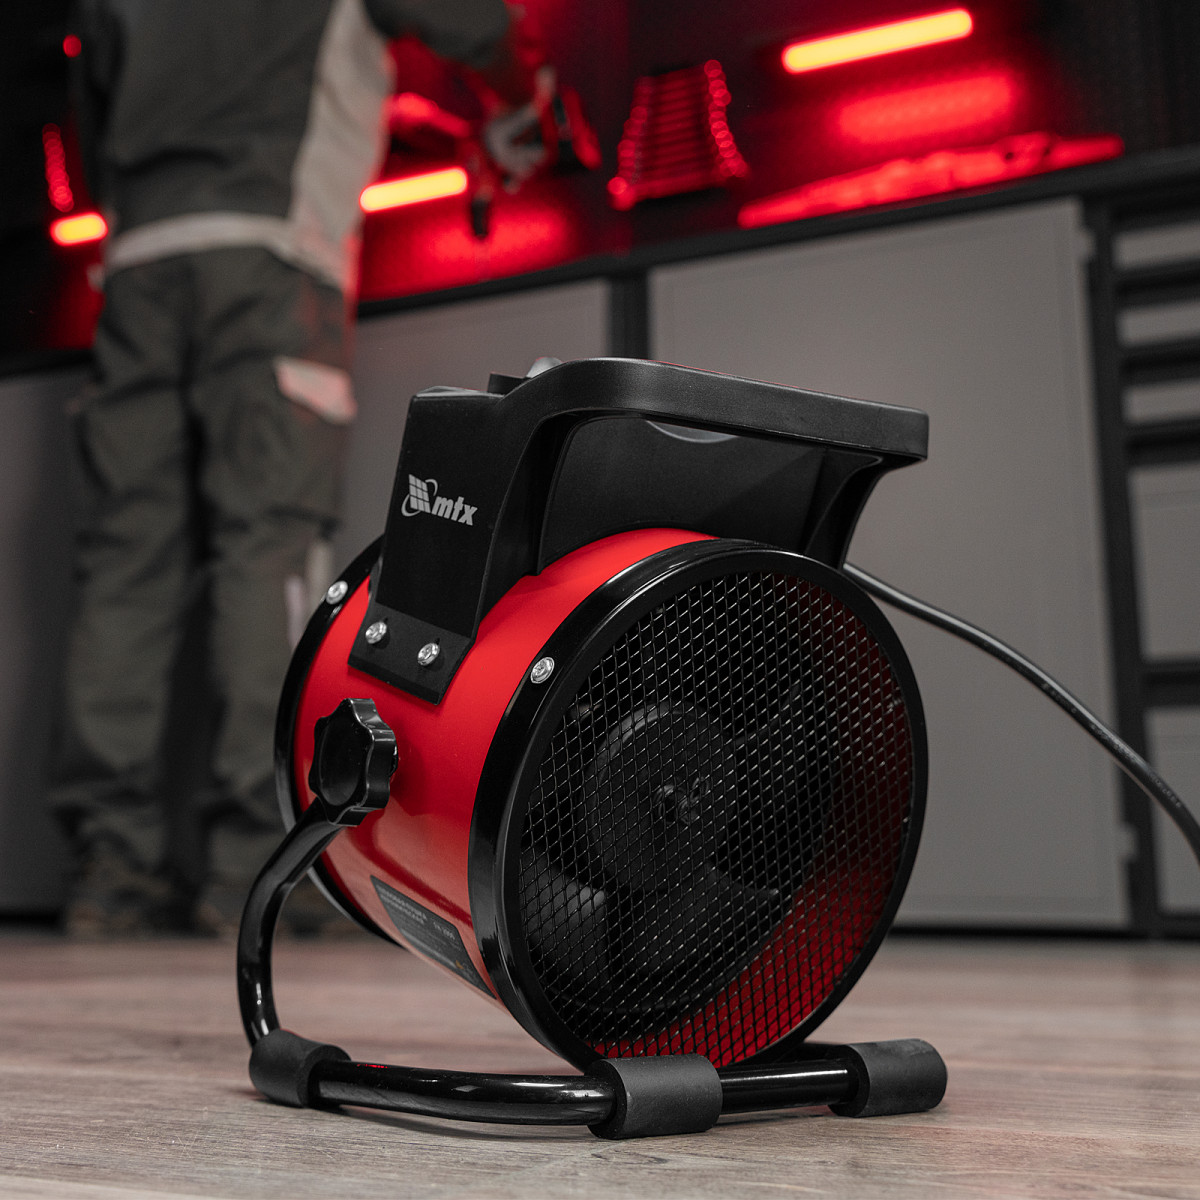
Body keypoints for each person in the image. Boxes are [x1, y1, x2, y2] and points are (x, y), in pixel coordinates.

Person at [52, 0, 547, 937]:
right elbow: (470, 20)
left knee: (124, 562)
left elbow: (91, 114)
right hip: (273, 253)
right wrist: (526, 93)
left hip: (139, 263)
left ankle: (110, 871)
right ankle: (257, 857)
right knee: (267, 546)